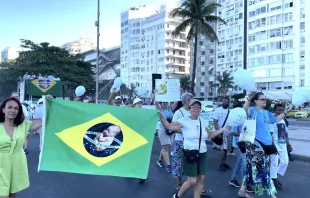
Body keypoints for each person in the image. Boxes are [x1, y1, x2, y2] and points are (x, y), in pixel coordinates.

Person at [159, 99, 231, 198]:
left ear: (200, 109)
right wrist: (161, 115)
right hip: (190, 153)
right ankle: (178, 196)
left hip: (202, 153)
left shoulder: (203, 121)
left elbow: (210, 135)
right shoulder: (184, 120)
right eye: (193, 106)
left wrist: (222, 130)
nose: (196, 108)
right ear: (190, 108)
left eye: (198, 107)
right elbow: (169, 126)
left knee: (201, 179)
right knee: (192, 181)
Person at [238, 92, 289, 198]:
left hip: (266, 145)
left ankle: (242, 190)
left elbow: (275, 120)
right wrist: (248, 99)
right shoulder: (252, 110)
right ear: (256, 101)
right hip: (255, 145)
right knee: (263, 169)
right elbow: (243, 111)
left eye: (265, 99)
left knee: (251, 168)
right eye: (262, 99)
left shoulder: (266, 112)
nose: (265, 100)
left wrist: (286, 112)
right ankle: (271, 194)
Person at [0, 97, 46, 198]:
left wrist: (49, 103)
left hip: (17, 164)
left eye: (16, 108)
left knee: (12, 194)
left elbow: (44, 120)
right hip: (1, 165)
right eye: (10, 107)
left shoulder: (23, 125)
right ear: (3, 109)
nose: (13, 110)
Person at [228, 102, 254, 193]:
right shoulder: (237, 119)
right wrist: (248, 134)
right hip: (239, 144)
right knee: (244, 164)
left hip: (247, 143)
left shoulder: (247, 118)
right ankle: (245, 186)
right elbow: (233, 132)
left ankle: (233, 179)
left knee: (240, 162)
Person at [270, 103, 292, 190]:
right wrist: (272, 146)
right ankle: (274, 180)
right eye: (278, 110)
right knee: (274, 163)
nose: (280, 111)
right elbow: (269, 134)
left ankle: (273, 175)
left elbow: (286, 134)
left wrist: (288, 144)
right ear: (275, 110)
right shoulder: (272, 119)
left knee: (285, 162)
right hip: (275, 145)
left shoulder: (284, 120)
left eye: (282, 110)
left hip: (282, 145)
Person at [213, 97, 232, 171]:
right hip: (221, 132)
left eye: (226, 102)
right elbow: (215, 121)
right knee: (223, 149)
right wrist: (218, 132)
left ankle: (224, 163)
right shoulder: (218, 110)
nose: (224, 103)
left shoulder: (230, 111)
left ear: (228, 102)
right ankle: (221, 164)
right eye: (223, 101)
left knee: (227, 149)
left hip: (229, 133)